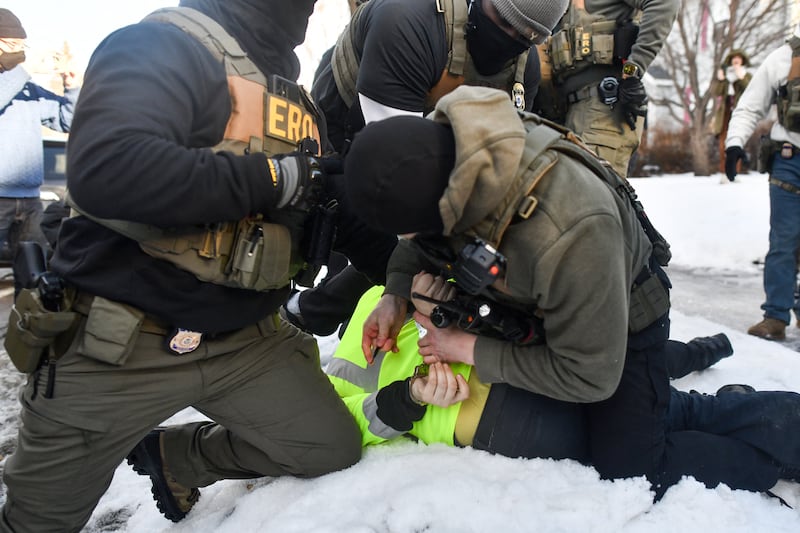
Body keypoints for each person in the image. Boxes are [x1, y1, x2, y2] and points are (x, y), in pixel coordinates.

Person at [0, 2, 365, 531]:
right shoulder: (160, 44)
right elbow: (107, 170)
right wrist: (275, 177)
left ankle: (179, 458)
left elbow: (335, 207)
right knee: (37, 523)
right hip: (117, 345)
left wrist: (410, 281)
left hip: (248, 343)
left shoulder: (296, 98)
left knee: (329, 448)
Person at [343, 84, 800, 500]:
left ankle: (776, 447)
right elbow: (422, 245)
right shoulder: (442, 164)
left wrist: (466, 346)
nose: (406, 244)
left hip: (622, 320)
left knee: (631, 468)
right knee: (643, 416)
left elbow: (590, 375)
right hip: (546, 308)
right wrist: (395, 296)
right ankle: (701, 411)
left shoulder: (570, 228)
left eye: (409, 232)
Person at [329, 282, 800, 499]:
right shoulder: (329, 382)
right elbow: (349, 426)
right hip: (507, 423)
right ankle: (768, 454)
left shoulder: (378, 298)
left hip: (531, 362)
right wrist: (412, 395)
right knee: (649, 442)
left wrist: (440, 304)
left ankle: (760, 422)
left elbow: (484, 287)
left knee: (673, 408)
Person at [283, 0, 570, 337]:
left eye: (526, 35)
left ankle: (323, 308)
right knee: (389, 232)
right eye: (502, 21)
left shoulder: (523, 68)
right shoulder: (409, 19)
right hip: (349, 127)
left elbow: (502, 165)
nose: (510, 37)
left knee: (455, 251)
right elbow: (397, 171)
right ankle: (305, 308)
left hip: (432, 134)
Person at [534, 0, 680, 178]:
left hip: (603, 108)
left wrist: (633, 71)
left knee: (588, 195)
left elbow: (663, 3)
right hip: (565, 113)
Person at [725, 23, 800, 342]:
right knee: (783, 242)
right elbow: (750, 106)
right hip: (789, 160)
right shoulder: (783, 58)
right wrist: (734, 143)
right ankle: (776, 317)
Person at [0, 8, 79, 263]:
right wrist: (27, 68)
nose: (19, 52)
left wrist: (71, 85)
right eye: (12, 45)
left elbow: (68, 120)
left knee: (33, 271)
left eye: (22, 46)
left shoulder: (28, 90)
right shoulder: (19, 80)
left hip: (30, 201)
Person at [710, 49, 752, 180]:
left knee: (736, 143)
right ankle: (723, 173)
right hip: (725, 113)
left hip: (739, 112)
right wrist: (721, 80)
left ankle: (735, 173)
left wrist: (741, 78)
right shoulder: (725, 76)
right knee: (723, 144)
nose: (736, 60)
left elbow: (750, 90)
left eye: (739, 58)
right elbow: (716, 92)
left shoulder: (747, 75)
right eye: (734, 58)